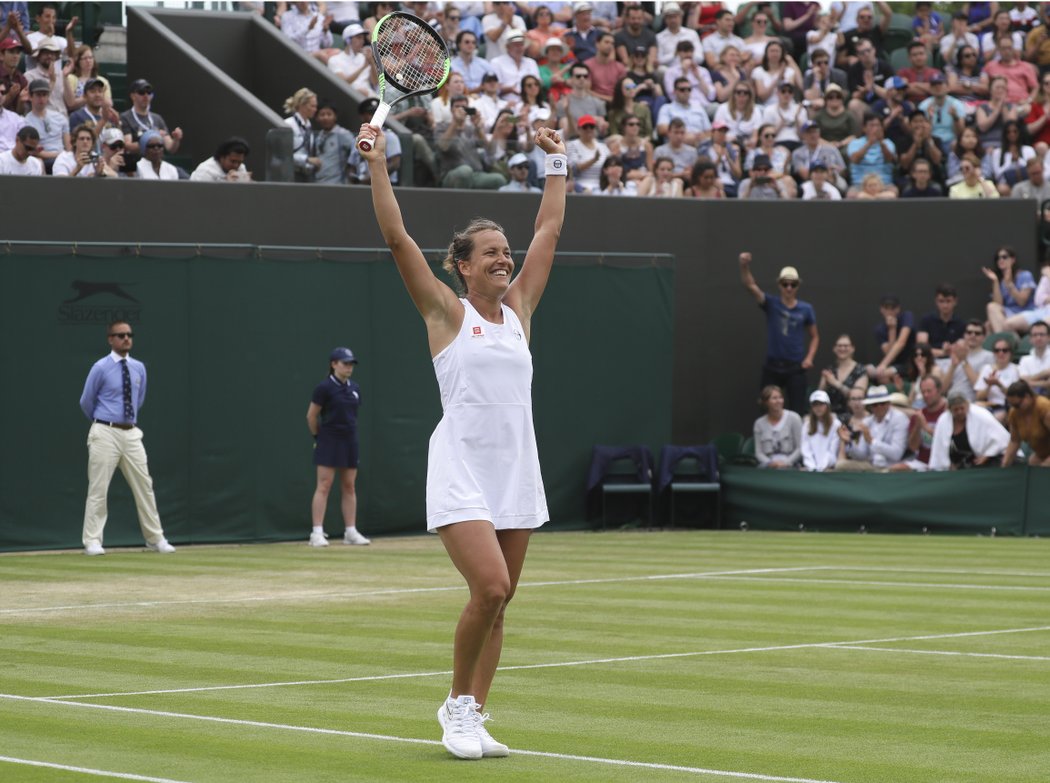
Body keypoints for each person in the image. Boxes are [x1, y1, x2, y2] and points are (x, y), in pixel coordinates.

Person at [358, 117, 566, 760]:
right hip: (461, 466)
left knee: (502, 607)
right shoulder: (446, 312)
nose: (505, 258)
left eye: (507, 250)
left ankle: (474, 716)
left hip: (516, 468)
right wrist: (375, 164)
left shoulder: (521, 309)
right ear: (463, 267)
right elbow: (397, 239)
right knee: (492, 587)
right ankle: (455, 705)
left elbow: (550, 230)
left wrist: (557, 163)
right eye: (491, 253)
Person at [78, 321, 176, 557]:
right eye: (120, 335)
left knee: (145, 485)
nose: (126, 339)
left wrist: (124, 422)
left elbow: (138, 399)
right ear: (110, 339)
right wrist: (104, 422)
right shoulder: (100, 367)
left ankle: (155, 539)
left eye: (129, 335)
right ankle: (92, 541)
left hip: (131, 433)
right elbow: (86, 401)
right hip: (104, 431)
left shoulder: (139, 367)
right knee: (98, 488)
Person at [739, 253, 819, 415]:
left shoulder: (805, 309)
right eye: (785, 284)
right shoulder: (771, 303)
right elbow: (751, 286)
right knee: (765, 405)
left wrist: (809, 358)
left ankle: (797, 440)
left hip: (795, 366)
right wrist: (744, 266)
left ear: (797, 286)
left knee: (798, 410)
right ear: (779, 285)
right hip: (773, 365)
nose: (789, 288)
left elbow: (815, 336)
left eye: (793, 284)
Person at [307, 346, 371, 548]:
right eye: (345, 363)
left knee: (349, 486)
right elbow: (311, 416)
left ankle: (350, 532)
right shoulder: (324, 388)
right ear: (333, 364)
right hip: (328, 440)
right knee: (324, 485)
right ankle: (316, 533)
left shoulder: (355, 388)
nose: (349, 367)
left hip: (350, 440)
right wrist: (318, 436)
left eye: (351, 363)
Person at [834, 384, 910, 472]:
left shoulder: (899, 419)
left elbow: (897, 454)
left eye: (882, 403)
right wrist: (849, 442)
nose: (879, 407)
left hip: (893, 467)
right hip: (871, 465)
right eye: (875, 404)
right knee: (840, 465)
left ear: (888, 403)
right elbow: (862, 455)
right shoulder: (867, 421)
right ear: (870, 406)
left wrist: (872, 441)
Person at [928, 393, 1011, 470]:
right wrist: (947, 465)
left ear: (967, 405)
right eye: (956, 410)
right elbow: (939, 450)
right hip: (959, 468)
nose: (959, 412)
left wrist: (988, 454)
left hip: (988, 463)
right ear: (950, 409)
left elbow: (1002, 439)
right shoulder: (943, 421)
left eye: (962, 408)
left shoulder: (981, 415)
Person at [888, 374, 948, 472]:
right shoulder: (919, 415)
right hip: (923, 462)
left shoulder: (948, 411)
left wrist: (925, 426)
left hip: (944, 462)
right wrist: (917, 426)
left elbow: (948, 441)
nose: (926, 395)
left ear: (939, 390)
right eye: (923, 392)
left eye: (929, 391)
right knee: (895, 469)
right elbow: (913, 447)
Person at [941, 318, 994, 401]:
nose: (972, 336)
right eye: (969, 332)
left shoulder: (989, 356)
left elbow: (979, 387)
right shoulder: (956, 354)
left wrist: (964, 361)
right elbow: (942, 390)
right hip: (950, 401)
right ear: (964, 335)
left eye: (977, 333)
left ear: (983, 337)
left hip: (971, 403)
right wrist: (953, 366)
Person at [984, 245, 1036, 329]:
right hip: (1009, 313)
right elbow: (997, 305)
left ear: (1013, 259)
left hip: (1025, 314)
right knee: (989, 318)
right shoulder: (1000, 281)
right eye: (998, 258)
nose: (1000, 260)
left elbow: (1022, 302)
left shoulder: (1025, 275)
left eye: (1004, 257)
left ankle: (1005, 339)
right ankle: (1007, 338)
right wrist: (995, 281)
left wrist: (1009, 284)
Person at [23, 78, 67, 172]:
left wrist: (65, 154)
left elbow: (69, 145)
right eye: (38, 95)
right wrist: (61, 154)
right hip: (44, 159)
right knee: (38, 163)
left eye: (44, 95)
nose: (41, 99)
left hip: (63, 157)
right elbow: (35, 151)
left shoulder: (60, 117)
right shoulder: (26, 122)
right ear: (30, 97)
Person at [753, 385, 802, 468]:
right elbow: (758, 452)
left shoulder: (794, 418)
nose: (778, 401)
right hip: (768, 466)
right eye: (774, 398)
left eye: (780, 397)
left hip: (791, 465)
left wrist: (786, 462)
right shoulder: (759, 423)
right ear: (766, 402)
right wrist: (769, 462)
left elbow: (800, 448)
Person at [1002, 380, 1050, 466]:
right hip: (1041, 454)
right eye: (1012, 405)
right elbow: (1014, 441)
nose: (1015, 408)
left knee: (1043, 467)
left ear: (1027, 397)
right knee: (1033, 462)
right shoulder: (1014, 413)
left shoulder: (1044, 407)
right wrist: (1005, 465)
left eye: (1017, 405)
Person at [819, 333, 869, 415]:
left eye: (846, 346)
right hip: (830, 417)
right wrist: (823, 384)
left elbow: (857, 396)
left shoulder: (860, 370)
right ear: (834, 349)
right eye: (839, 346)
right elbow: (820, 396)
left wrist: (835, 383)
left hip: (852, 415)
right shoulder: (830, 370)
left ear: (852, 348)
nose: (842, 348)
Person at [975, 335, 1021, 421]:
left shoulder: (1016, 369)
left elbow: (1016, 396)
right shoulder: (986, 368)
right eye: (997, 350)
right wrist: (989, 386)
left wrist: (998, 384)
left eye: (1005, 350)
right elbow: (979, 397)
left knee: (998, 417)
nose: (1001, 353)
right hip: (988, 405)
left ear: (1010, 353)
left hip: (1007, 406)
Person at [916, 283, 966, 362]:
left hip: (954, 361)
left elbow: (963, 347)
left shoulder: (961, 323)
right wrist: (943, 352)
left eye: (948, 301)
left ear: (955, 301)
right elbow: (921, 348)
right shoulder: (926, 320)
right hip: (931, 362)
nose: (945, 305)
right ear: (936, 301)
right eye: (941, 301)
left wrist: (951, 348)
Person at [327, 23, 376, 96]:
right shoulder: (334, 60)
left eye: (363, 38)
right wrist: (363, 67)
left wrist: (372, 62)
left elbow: (375, 82)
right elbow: (343, 83)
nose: (362, 41)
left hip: (370, 97)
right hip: (349, 97)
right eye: (359, 37)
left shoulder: (364, 58)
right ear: (348, 40)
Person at [801, 389, 840, 471]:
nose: (818, 408)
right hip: (811, 469)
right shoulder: (807, 425)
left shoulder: (836, 424)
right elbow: (805, 450)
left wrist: (821, 467)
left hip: (828, 469)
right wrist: (812, 467)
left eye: (821, 404)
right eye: (815, 405)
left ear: (827, 406)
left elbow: (832, 451)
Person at [1019, 320, 1050, 392]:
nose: (1038, 338)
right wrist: (1044, 374)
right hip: (1031, 398)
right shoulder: (1024, 360)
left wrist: (1031, 381)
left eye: (1042, 334)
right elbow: (1023, 383)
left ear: (1049, 337)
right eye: (1035, 335)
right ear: (1030, 339)